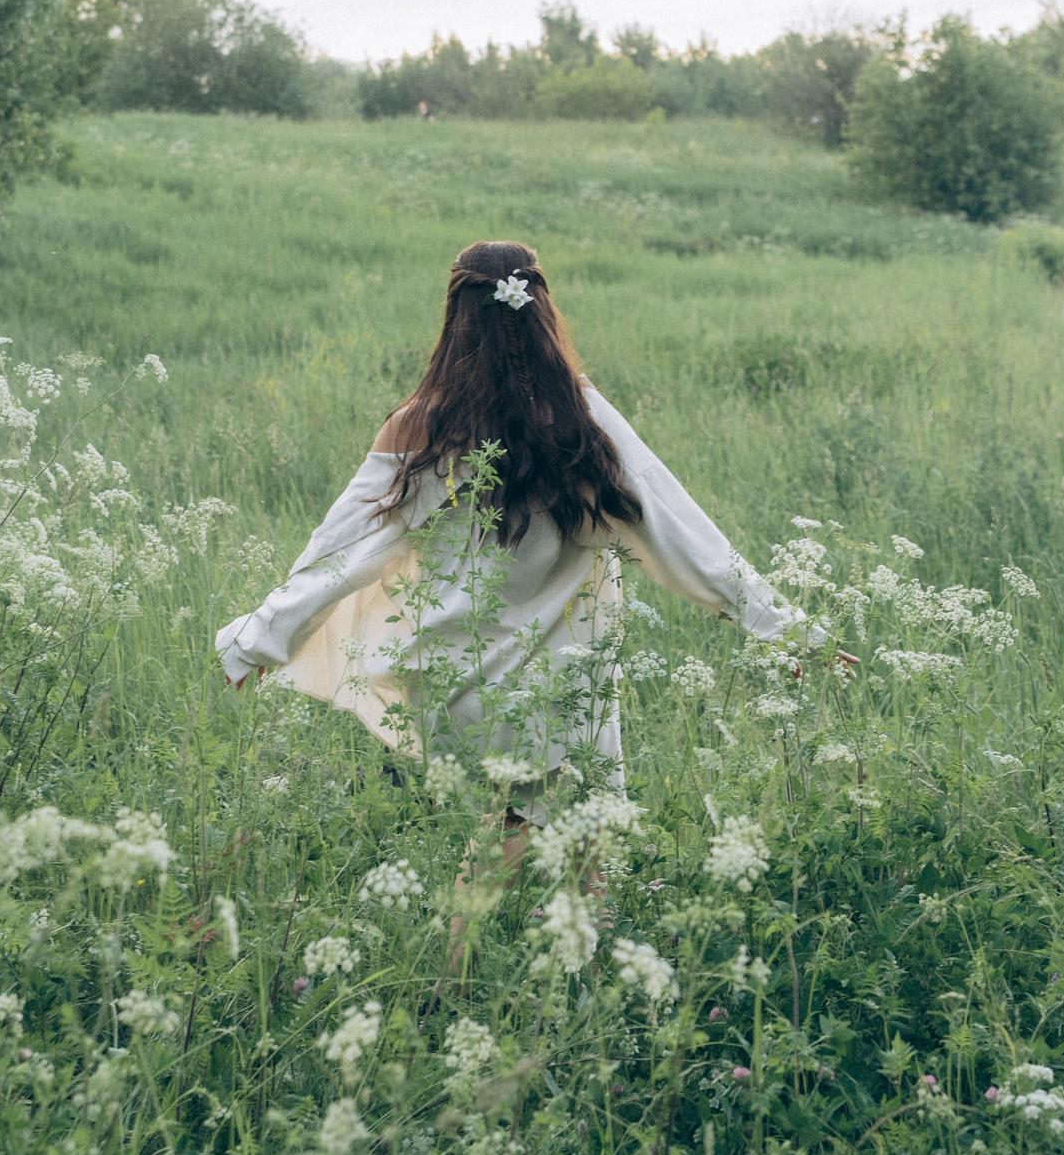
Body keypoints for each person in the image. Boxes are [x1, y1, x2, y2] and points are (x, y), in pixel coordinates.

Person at [215, 240, 846, 830]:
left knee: (529, 840)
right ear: (541, 310)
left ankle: (495, 946)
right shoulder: (581, 418)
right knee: (567, 844)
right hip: (559, 682)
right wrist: (782, 627)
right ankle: (487, 949)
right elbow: (677, 529)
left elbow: (340, 552)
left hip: (454, 677)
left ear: (455, 319)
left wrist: (260, 638)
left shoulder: (420, 427)